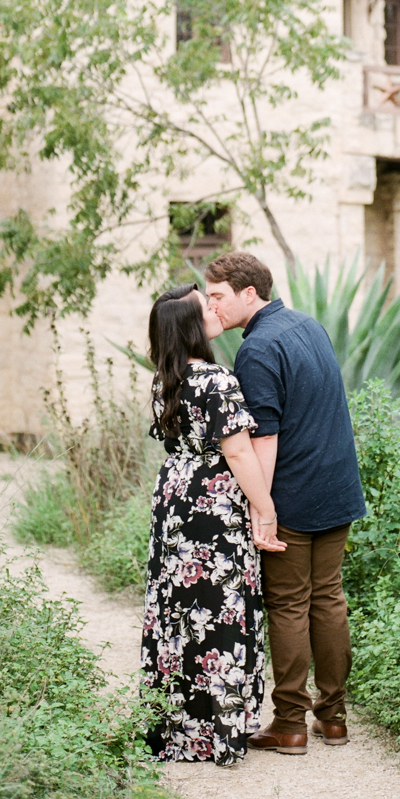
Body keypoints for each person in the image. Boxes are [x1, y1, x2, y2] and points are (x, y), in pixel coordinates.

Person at [205, 251, 366, 756]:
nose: (212, 307)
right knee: (329, 599)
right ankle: (334, 718)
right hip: (337, 488)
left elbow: (264, 439)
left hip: (293, 496)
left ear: (248, 293)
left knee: (291, 605)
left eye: (218, 296)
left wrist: (262, 508)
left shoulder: (256, 350)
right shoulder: (308, 325)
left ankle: (291, 723)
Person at [140, 282, 285, 768]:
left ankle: (174, 730)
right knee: (220, 609)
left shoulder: (166, 378)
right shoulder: (216, 380)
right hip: (213, 504)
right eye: (207, 307)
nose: (216, 308)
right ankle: (216, 731)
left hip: (175, 499)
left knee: (178, 611)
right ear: (191, 325)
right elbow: (239, 450)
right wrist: (264, 508)